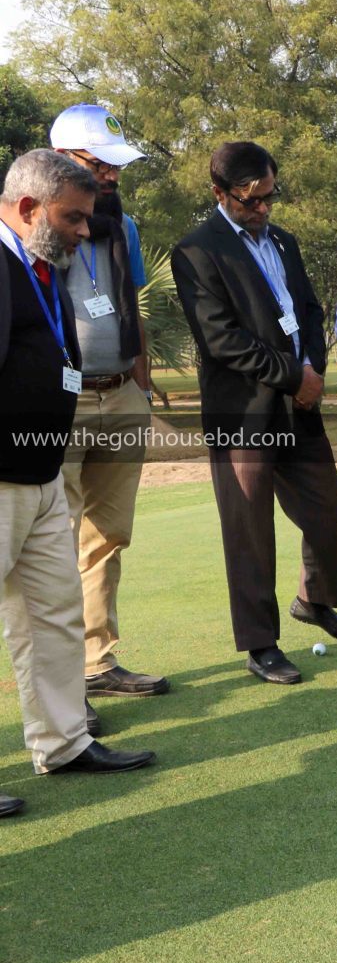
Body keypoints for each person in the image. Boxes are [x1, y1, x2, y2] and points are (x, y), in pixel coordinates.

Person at [1, 150, 156, 817]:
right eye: (72, 218)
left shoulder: (43, 267)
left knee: (55, 613)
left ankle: (63, 741)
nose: (83, 232)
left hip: (38, 475)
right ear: (29, 207)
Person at [172, 142, 337, 686]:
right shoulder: (197, 251)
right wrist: (292, 375)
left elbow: (307, 309)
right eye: (249, 200)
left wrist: (315, 371)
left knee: (328, 510)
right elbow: (220, 341)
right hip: (244, 414)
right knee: (250, 531)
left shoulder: (284, 240)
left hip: (299, 408)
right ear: (219, 193)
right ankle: (261, 645)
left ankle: (315, 600)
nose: (261, 210)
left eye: (269, 198)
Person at [50, 105, 170, 716]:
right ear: (64, 160)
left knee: (107, 536)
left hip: (120, 392)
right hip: (59, 401)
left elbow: (131, 303)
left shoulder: (124, 227)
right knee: (53, 541)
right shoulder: (30, 227)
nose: (112, 176)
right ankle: (61, 679)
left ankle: (99, 662)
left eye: (116, 165)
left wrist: (142, 386)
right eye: (100, 163)